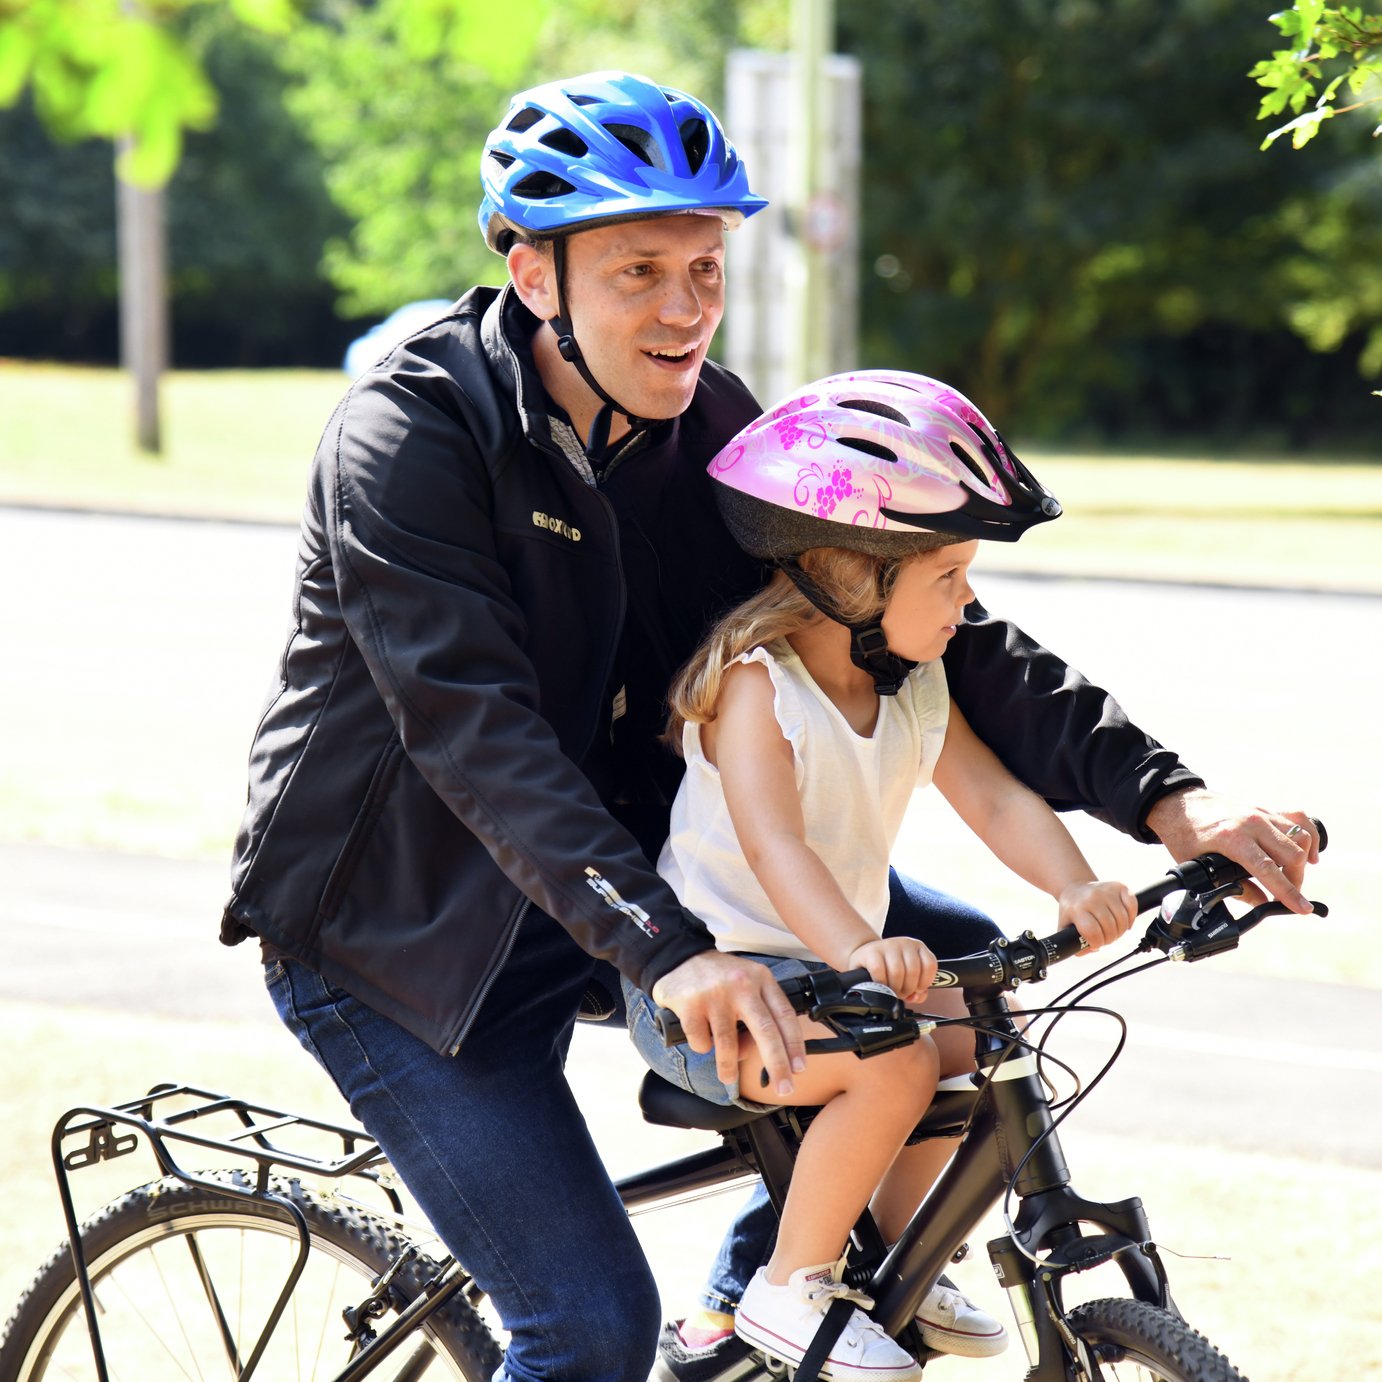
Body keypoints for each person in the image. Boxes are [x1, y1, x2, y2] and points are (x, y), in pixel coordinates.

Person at [218, 70, 1319, 1382]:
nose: (685, 309)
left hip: (628, 878)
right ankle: (740, 1301)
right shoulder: (409, 437)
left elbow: (931, 621)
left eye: (705, 267)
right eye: (639, 271)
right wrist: (674, 953)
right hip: (405, 933)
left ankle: (758, 1301)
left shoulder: (712, 433)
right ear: (530, 272)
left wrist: (1165, 802)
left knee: (959, 973)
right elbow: (473, 733)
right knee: (582, 1327)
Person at [625, 369, 1143, 1382]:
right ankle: (787, 1284)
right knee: (896, 1062)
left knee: (970, 1034)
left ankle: (899, 1253)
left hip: (821, 976)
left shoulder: (911, 681)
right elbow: (777, 847)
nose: (967, 600)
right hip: (712, 991)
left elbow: (993, 799)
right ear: (852, 575)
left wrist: (1074, 885)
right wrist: (860, 947)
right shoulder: (754, 685)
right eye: (946, 574)